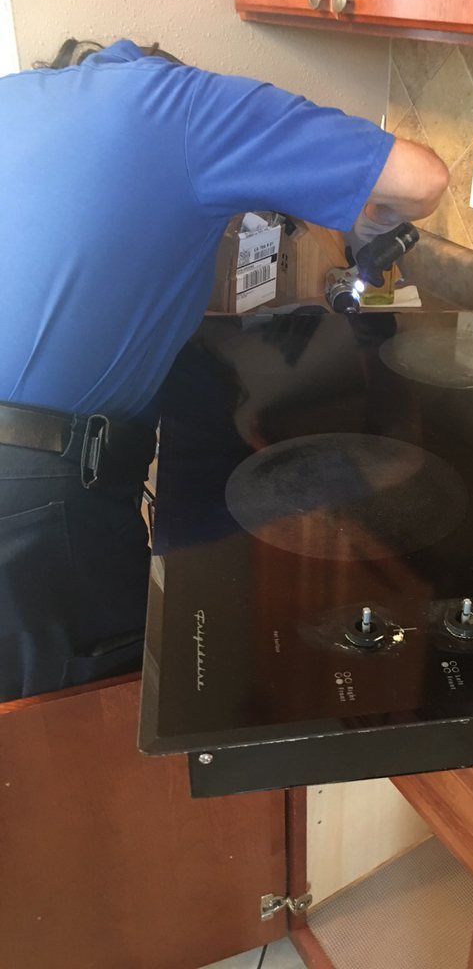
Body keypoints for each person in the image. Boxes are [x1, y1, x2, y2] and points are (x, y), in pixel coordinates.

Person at [0, 37, 449, 702]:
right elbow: (423, 180)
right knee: (80, 725)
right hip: (27, 487)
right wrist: (373, 209)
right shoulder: (181, 104)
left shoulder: (16, 102)